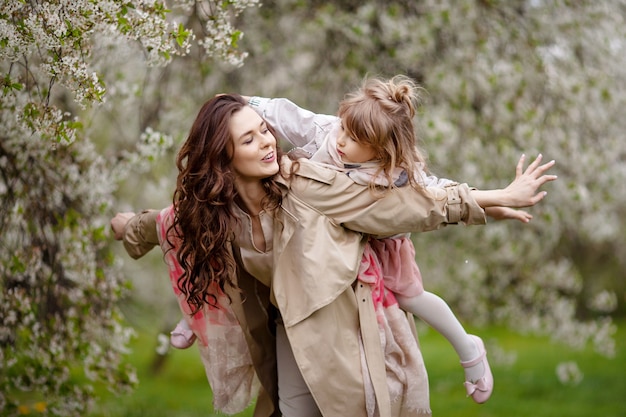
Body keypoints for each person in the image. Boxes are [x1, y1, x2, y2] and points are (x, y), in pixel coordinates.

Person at [111, 94, 556, 417]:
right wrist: (129, 227)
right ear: (222, 156)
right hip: (288, 325)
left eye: (265, 131)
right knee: (290, 410)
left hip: (346, 326)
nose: (268, 142)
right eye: (249, 139)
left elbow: (405, 202)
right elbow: (171, 222)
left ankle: (468, 350)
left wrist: (488, 199)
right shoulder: (216, 210)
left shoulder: (306, 184)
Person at [238, 75, 534, 404]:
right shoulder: (330, 133)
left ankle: (468, 348)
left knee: (410, 297)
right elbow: (288, 116)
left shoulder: (398, 173)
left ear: (380, 150)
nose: (342, 140)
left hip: (383, 246)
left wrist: (492, 204)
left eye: (353, 139)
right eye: (345, 129)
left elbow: (436, 196)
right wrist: (241, 103)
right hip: (336, 245)